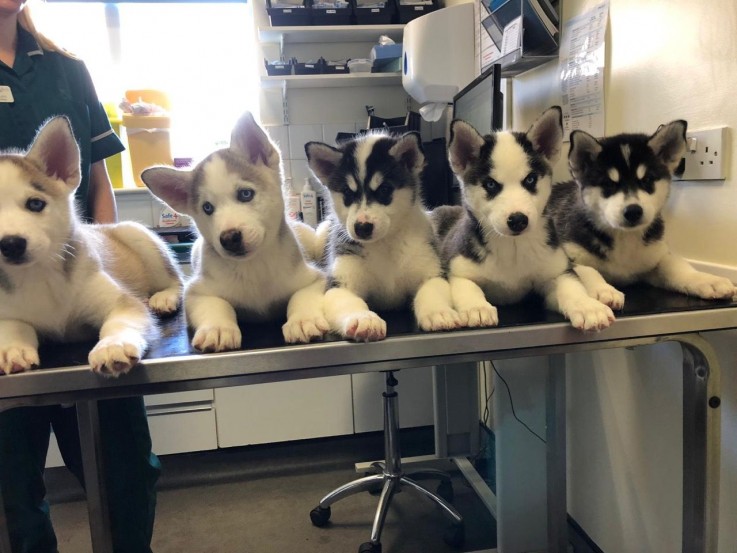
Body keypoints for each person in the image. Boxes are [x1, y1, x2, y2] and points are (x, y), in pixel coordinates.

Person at [0, 2, 161, 552]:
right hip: (6, 306)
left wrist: (100, 262)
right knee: (13, 486)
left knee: (124, 471)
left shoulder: (67, 70)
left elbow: (94, 183)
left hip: (77, 278)